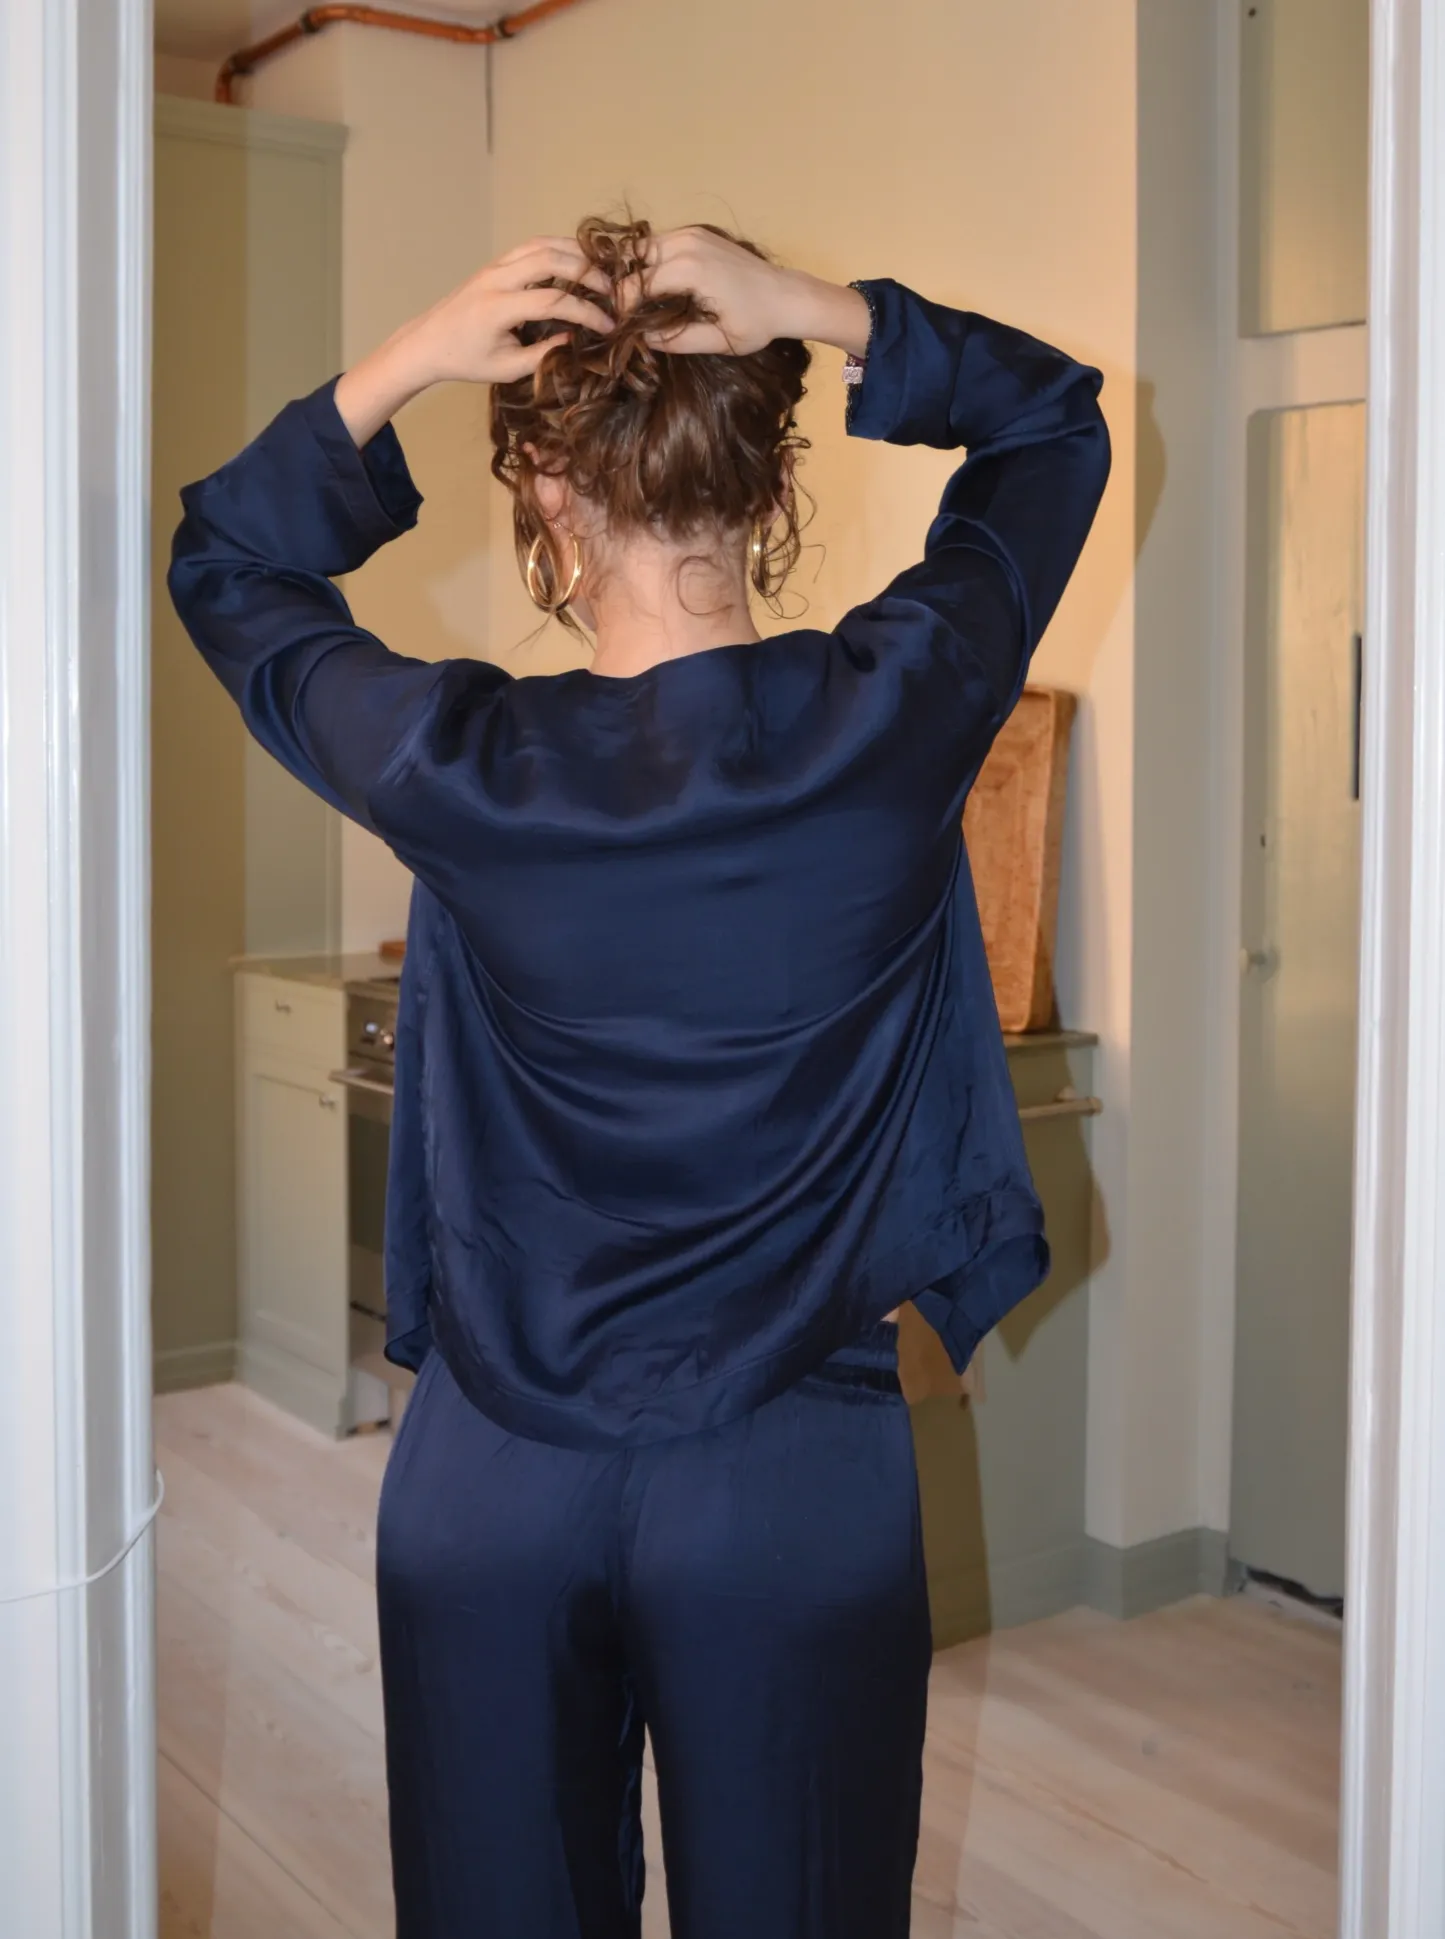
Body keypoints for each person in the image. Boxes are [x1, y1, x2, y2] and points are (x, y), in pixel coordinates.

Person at [168, 217, 1109, 1939]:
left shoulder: (457, 764)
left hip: (492, 1482)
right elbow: (1052, 422)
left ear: (545, 491)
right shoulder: (896, 717)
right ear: (769, 470)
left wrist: (410, 357)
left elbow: (226, 559)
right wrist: (822, 307)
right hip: (789, 1484)